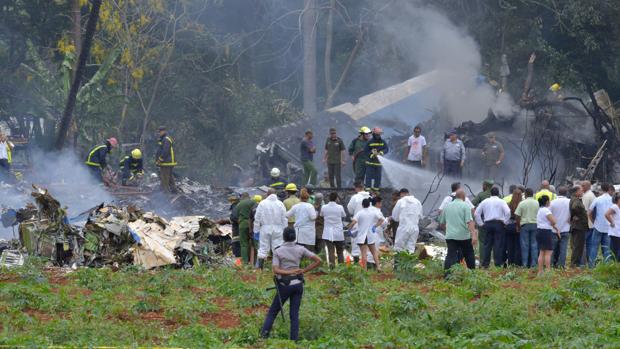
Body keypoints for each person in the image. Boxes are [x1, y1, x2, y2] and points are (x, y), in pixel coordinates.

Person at [260, 227, 322, 341]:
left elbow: (276, 270)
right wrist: (303, 270)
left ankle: (263, 337)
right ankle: (294, 341)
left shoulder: (278, 251)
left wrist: (289, 272)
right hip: (298, 284)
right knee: (294, 315)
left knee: (273, 312)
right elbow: (318, 260)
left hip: (284, 285)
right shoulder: (300, 249)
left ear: (283, 237)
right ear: (295, 237)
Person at [439, 189, 478, 271]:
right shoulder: (465, 206)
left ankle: (447, 275)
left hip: (451, 236)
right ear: (463, 197)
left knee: (451, 255)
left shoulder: (447, 206)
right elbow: (469, 221)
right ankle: (473, 273)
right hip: (463, 236)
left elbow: (442, 223)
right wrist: (474, 234)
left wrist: (447, 231)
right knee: (469, 254)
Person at [475, 187, 510, 268]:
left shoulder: (485, 201)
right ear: (498, 194)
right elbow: (508, 212)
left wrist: (481, 224)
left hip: (488, 224)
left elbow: (476, 213)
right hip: (499, 224)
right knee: (498, 245)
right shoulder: (502, 201)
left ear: (491, 193)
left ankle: (485, 264)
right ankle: (498, 264)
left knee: (487, 245)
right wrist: (505, 222)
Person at [346, 198, 385, 271]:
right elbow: (382, 220)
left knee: (364, 253)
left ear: (362, 205)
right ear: (369, 204)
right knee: (374, 252)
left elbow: (353, 222)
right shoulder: (373, 212)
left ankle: (365, 269)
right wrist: (375, 226)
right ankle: (378, 267)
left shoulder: (360, 213)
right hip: (370, 235)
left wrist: (349, 229)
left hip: (362, 236)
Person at [254, 188, 288, 269]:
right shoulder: (280, 204)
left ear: (267, 194)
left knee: (263, 248)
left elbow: (257, 218)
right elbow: (284, 218)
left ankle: (260, 268)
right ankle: (278, 268)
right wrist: (285, 229)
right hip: (278, 229)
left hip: (265, 228)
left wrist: (256, 230)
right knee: (278, 248)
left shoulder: (262, 203)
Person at [588, 182, 614, 267]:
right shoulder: (613, 200)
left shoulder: (597, 199)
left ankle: (591, 266)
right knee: (606, 248)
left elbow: (589, 212)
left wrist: (593, 221)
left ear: (601, 189)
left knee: (594, 247)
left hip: (598, 226)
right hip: (609, 226)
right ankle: (607, 266)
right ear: (609, 189)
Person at [391, 188, 423, 254]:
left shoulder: (400, 201)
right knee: (410, 248)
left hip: (403, 227)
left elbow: (395, 217)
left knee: (398, 248)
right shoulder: (417, 202)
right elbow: (420, 216)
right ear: (408, 193)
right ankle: (408, 263)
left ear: (401, 194)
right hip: (415, 228)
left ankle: (398, 264)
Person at [536, 195, 561, 275]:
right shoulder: (546, 211)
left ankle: (540, 271)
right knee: (548, 252)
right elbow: (554, 221)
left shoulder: (540, 210)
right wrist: (554, 223)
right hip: (546, 232)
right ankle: (548, 271)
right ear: (547, 202)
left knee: (541, 252)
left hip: (539, 231)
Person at [347, 181, 371, 263]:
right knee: (368, 243)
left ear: (357, 188)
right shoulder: (370, 196)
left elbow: (350, 209)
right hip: (369, 223)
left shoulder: (355, 197)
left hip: (357, 222)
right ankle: (367, 263)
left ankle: (357, 262)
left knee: (356, 242)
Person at [321, 192, 347, 268]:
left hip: (328, 232)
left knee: (330, 251)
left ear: (329, 198)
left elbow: (321, 215)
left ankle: (332, 269)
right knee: (340, 251)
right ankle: (341, 268)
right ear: (336, 198)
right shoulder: (340, 207)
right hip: (338, 232)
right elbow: (344, 215)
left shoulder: (324, 207)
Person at [515, 188, 539, 267]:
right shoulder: (537, 203)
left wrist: (518, 226)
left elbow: (517, 216)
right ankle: (534, 264)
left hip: (524, 225)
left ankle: (525, 264)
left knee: (524, 245)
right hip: (535, 225)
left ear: (525, 194)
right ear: (533, 194)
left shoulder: (522, 203)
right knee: (534, 244)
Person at [549, 186, 571, 268]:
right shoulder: (570, 202)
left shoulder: (552, 202)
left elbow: (548, 215)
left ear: (558, 192)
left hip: (554, 229)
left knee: (552, 248)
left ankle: (551, 264)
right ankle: (561, 265)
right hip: (565, 228)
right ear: (566, 193)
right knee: (563, 248)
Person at [472, 180, 494, 261]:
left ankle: (483, 260)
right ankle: (493, 260)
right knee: (494, 242)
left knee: (482, 242)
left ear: (485, 185)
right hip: (496, 223)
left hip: (483, 222)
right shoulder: (498, 195)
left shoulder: (481, 195)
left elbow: (471, 204)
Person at [569, 185, 588, 268]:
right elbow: (574, 207)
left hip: (578, 226)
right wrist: (576, 215)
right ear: (576, 192)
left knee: (577, 246)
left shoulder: (575, 199)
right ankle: (574, 264)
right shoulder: (576, 200)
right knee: (578, 246)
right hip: (579, 226)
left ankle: (575, 264)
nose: (582, 191)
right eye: (580, 190)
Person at [235, 193, 257, 264]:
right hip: (253, 225)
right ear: (249, 196)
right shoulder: (253, 202)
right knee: (255, 244)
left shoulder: (239, 204)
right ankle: (255, 262)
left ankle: (245, 262)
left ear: (242, 197)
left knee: (244, 244)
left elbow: (236, 216)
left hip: (242, 225)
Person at [155, 126, 177, 193]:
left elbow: (165, 151)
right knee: (170, 177)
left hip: (166, 162)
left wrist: (160, 160)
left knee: (164, 179)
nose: (159, 133)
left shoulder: (166, 139)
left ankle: (166, 194)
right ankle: (174, 191)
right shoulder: (164, 139)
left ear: (164, 131)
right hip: (168, 162)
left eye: (160, 131)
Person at [505, 187, 523, 266]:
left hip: (509, 226)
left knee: (509, 245)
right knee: (518, 245)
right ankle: (517, 262)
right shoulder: (522, 204)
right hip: (518, 226)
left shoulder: (508, 204)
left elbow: (506, 216)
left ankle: (510, 262)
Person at [581, 180, 596, 265]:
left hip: (586, 224)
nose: (581, 187)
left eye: (583, 185)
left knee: (583, 243)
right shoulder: (592, 195)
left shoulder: (587, 196)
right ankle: (590, 262)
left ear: (587, 186)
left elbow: (584, 211)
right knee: (590, 244)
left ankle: (582, 263)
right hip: (591, 224)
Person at [604, 193, 620, 261]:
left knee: (616, 250)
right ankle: (614, 264)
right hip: (615, 232)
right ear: (619, 200)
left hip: (618, 232)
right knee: (615, 250)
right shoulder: (615, 207)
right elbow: (607, 214)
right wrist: (612, 222)